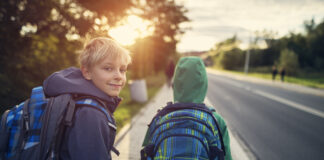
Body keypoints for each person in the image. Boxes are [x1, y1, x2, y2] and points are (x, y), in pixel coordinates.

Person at [44, 37, 131, 159]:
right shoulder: (90, 113)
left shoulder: (83, 102)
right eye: (108, 68)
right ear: (87, 72)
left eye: (122, 70)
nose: (119, 76)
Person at [141, 57, 232, 160]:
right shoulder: (216, 120)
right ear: (203, 84)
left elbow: (146, 152)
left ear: (175, 84)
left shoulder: (159, 117)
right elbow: (226, 156)